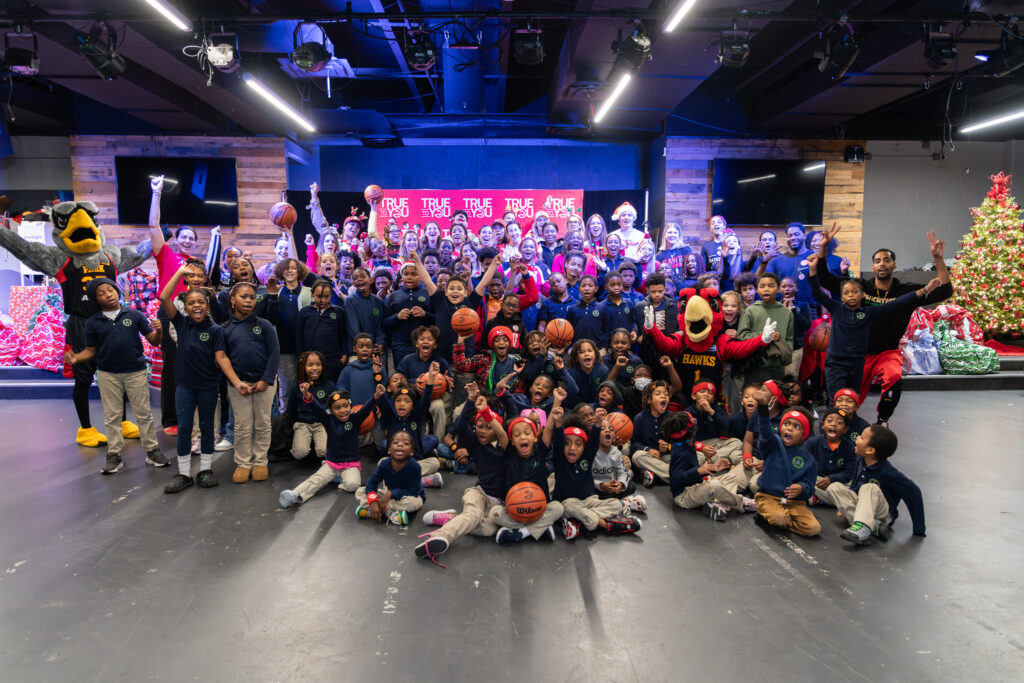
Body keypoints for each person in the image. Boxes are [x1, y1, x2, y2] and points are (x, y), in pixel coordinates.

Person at [814, 225, 953, 425]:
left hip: (887, 352)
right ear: (872, 267)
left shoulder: (905, 291)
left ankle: (882, 420)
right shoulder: (860, 288)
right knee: (848, 400)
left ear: (894, 265)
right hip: (859, 355)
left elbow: (945, 292)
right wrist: (823, 249)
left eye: (887, 260)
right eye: (877, 261)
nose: (882, 264)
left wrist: (938, 259)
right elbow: (825, 279)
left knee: (894, 377)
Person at [63, 278, 166, 474]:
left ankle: (152, 450)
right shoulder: (93, 322)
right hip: (108, 374)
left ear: (117, 291)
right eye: (101, 293)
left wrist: (159, 332)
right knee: (112, 417)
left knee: (143, 414)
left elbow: (153, 341)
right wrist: (76, 358)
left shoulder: (134, 315)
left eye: (110, 290)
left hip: (135, 372)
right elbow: (90, 351)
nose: (107, 294)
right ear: (96, 299)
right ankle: (115, 455)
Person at [159, 263, 246, 494]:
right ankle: (184, 473)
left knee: (208, 428)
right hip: (185, 387)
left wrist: (236, 382)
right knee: (185, 428)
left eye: (201, 302)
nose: (196, 306)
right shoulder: (181, 322)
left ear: (207, 306)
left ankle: (206, 470)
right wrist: (179, 272)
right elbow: (164, 297)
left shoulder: (216, 330)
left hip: (208, 387)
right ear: (185, 308)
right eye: (191, 303)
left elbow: (222, 358)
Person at [808, 252, 938, 401]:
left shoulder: (869, 313)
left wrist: (925, 290)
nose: (850, 295)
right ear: (842, 297)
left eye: (855, 292)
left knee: (852, 401)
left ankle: (853, 422)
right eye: (846, 293)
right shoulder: (835, 308)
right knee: (836, 401)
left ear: (862, 295)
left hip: (857, 365)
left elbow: (897, 303)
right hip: (836, 364)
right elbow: (817, 293)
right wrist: (813, 270)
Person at [414, 386, 506, 563]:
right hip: (479, 493)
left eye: (488, 427)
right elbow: (462, 425)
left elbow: (505, 432)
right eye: (479, 426)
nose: (482, 430)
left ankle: (452, 518)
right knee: (473, 515)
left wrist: (490, 411)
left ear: (498, 429)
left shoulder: (507, 449)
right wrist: (470, 400)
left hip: (498, 501)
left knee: (488, 530)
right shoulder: (477, 446)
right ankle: (439, 537)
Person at [278, 385, 385, 508]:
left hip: (350, 464)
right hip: (331, 464)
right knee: (315, 480)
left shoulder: (355, 419)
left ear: (350, 406)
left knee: (353, 485)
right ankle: (295, 494)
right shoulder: (328, 420)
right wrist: (307, 395)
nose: (343, 410)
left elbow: (366, 409)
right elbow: (316, 408)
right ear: (331, 410)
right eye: (337, 408)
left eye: (345, 406)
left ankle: (341, 480)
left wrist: (376, 396)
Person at [551, 400, 642, 540]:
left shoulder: (587, 458)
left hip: (589, 501)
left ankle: (580, 523)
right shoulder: (560, 460)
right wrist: (558, 423)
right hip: (569, 502)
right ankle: (607, 525)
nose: (572, 448)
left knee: (616, 504)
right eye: (567, 443)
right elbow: (558, 440)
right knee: (568, 507)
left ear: (585, 447)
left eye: (578, 444)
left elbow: (594, 441)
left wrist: (598, 423)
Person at [221, 281, 279, 484]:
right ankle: (243, 462)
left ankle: (260, 461)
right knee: (242, 425)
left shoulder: (264, 325)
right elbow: (223, 358)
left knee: (263, 423)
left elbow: (274, 353)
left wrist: (266, 380)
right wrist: (236, 382)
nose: (248, 301)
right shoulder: (225, 329)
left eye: (252, 298)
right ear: (232, 299)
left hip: (264, 383)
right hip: (238, 384)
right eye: (243, 297)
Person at [832, 425, 926, 544]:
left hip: (883, 514)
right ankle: (874, 526)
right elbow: (854, 486)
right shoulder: (861, 460)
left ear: (870, 450)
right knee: (835, 487)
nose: (857, 439)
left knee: (869, 488)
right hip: (865, 508)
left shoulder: (888, 472)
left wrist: (919, 529)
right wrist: (847, 503)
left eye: (861, 438)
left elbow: (914, 492)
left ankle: (864, 527)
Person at [749, 386, 820, 536]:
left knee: (813, 529)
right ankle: (771, 515)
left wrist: (801, 488)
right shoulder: (773, 443)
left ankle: (776, 518)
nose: (789, 429)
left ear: (804, 435)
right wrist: (762, 408)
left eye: (796, 427)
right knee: (780, 519)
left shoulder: (808, 459)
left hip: (795, 503)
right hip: (769, 497)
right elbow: (765, 431)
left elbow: (809, 486)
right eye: (786, 424)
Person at [664, 411, 755, 521]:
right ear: (691, 431)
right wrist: (699, 471)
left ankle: (719, 505)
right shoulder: (680, 451)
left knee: (731, 477)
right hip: (683, 496)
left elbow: (693, 474)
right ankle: (742, 504)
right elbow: (675, 479)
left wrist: (713, 468)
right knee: (714, 485)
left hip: (696, 486)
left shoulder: (689, 444)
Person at [354, 430, 424, 527]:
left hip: (408, 496)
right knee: (360, 491)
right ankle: (389, 512)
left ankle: (375, 511)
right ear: (389, 450)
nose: (400, 445)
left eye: (405, 443)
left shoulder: (415, 467)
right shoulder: (384, 464)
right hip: (388, 497)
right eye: (395, 443)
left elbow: (413, 491)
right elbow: (371, 483)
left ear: (411, 452)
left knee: (414, 502)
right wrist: (373, 501)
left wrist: (391, 494)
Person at [736, 273, 794, 386]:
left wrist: (783, 352)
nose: (766, 289)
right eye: (762, 286)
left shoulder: (787, 313)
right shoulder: (750, 311)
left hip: (777, 367)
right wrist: (763, 335)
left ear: (778, 289)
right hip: (754, 366)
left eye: (771, 286)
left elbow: (790, 339)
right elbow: (741, 337)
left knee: (774, 399)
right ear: (757, 289)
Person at [384, 261, 435, 369]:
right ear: (401, 277)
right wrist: (397, 317)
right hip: (400, 344)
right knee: (402, 375)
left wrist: (425, 314)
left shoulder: (428, 294)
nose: (409, 277)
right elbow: (385, 322)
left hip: (424, 344)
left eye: (414, 274)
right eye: (406, 274)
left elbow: (437, 319)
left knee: (422, 376)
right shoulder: (393, 296)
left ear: (420, 276)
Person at [804, 408, 856, 505]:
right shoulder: (813, 442)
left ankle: (820, 499)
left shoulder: (849, 447)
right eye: (829, 421)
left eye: (839, 423)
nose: (833, 424)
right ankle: (842, 502)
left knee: (841, 487)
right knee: (803, 480)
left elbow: (849, 473)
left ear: (845, 429)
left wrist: (831, 478)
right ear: (823, 425)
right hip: (817, 479)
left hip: (838, 482)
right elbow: (803, 465)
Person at [287, 351, 332, 460]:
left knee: (324, 451)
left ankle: (318, 446)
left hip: (321, 423)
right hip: (302, 423)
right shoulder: (297, 387)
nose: (315, 368)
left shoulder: (329, 385)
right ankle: (304, 443)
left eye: (318, 364)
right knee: (299, 453)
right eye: (310, 365)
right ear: (303, 367)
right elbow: (291, 410)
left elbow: (333, 407)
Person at [760, 222, 817, 308]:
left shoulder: (815, 258)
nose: (793, 238)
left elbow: (825, 289)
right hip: (782, 309)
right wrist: (764, 261)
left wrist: (825, 316)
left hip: (811, 310)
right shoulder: (776, 261)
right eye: (790, 235)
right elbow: (765, 284)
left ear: (804, 236)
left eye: (796, 234)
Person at [630, 380, 673, 486]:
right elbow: (634, 443)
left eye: (666, 394)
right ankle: (678, 475)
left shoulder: (672, 418)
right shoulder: (639, 418)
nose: (663, 396)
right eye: (658, 394)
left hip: (666, 457)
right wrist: (648, 450)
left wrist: (668, 447)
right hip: (648, 457)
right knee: (637, 456)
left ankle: (655, 475)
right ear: (649, 399)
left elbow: (681, 443)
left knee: (696, 455)